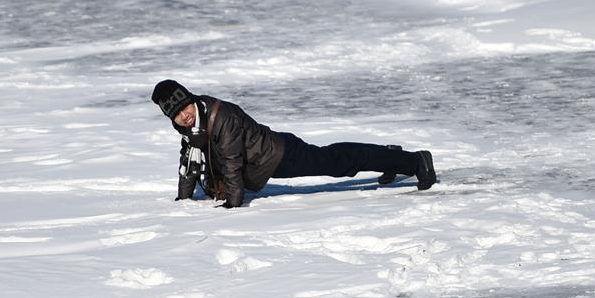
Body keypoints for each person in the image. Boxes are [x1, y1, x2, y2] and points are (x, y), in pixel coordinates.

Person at [151, 79, 437, 208]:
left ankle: (414, 161)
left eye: (184, 107)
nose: (183, 116)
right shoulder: (191, 126)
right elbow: (188, 161)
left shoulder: (220, 115)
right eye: (175, 114)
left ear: (191, 99)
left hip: (279, 155)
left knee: (338, 163)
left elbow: (231, 160)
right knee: (337, 160)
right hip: (267, 159)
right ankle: (388, 156)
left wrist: (233, 204)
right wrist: (183, 199)